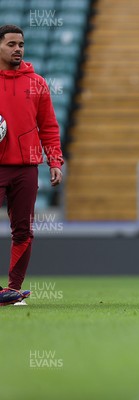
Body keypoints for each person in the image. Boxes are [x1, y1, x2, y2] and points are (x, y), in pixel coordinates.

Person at [0, 25, 64, 306]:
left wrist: (54, 160)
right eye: (11, 44)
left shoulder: (36, 82)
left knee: (23, 230)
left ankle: (13, 291)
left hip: (27, 167)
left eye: (21, 44)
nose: (17, 49)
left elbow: (48, 126)